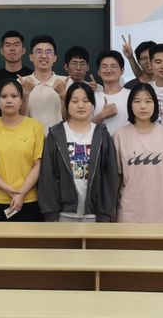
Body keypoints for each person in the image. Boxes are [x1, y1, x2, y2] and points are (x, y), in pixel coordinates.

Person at [38, 82, 119, 222]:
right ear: (67, 104)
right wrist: (51, 212)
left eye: (86, 101)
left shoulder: (101, 134)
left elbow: (110, 176)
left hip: (95, 214)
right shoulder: (56, 134)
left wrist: (106, 212)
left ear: (92, 105)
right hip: (62, 214)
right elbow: (47, 175)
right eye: (75, 101)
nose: (80, 105)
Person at [113, 83, 163, 223]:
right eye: (137, 101)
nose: (143, 106)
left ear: (155, 104)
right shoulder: (120, 135)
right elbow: (116, 177)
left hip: (160, 210)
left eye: (148, 101)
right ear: (130, 105)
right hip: (128, 211)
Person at [0, 79, 44, 221]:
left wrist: (21, 193)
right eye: (4, 96)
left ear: (21, 100)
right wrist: (9, 190)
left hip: (29, 199)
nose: (9, 100)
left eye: (14, 96)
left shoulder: (35, 127)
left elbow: (38, 165)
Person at [19, 35, 67, 132]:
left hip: (58, 138)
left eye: (48, 52)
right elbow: (16, 120)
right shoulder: (21, 82)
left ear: (55, 58)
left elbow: (72, 120)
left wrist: (63, 95)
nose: (44, 56)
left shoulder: (66, 82)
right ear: (31, 57)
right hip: (28, 137)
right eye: (39, 52)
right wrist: (25, 95)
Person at [0, 30, 32, 121]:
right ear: (2, 51)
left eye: (16, 45)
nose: (12, 49)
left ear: (23, 50)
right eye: (8, 45)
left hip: (29, 128)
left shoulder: (32, 77)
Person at [92, 50, 131, 135]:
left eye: (113, 66)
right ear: (99, 72)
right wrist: (102, 115)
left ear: (122, 70)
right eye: (104, 66)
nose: (109, 70)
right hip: (100, 143)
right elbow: (84, 129)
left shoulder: (132, 96)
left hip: (127, 143)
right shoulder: (92, 98)